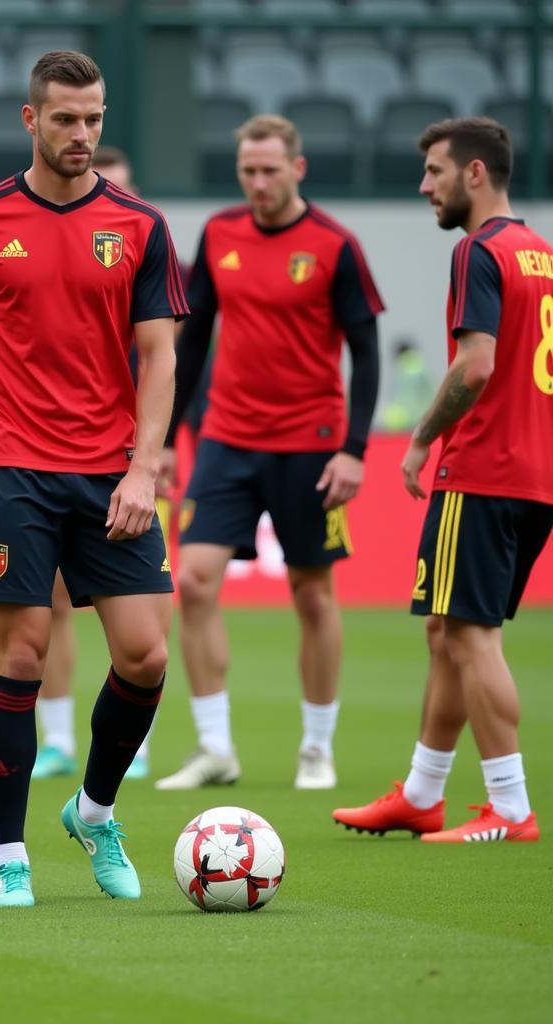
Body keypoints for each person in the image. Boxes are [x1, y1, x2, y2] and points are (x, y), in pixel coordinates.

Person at [0, 51, 187, 908]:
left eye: (96, 119)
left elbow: (159, 355)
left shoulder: (141, 225)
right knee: (23, 654)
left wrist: (144, 466)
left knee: (145, 656)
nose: (83, 135)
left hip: (112, 470)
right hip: (11, 468)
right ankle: (10, 855)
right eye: (67, 119)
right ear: (29, 120)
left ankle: (93, 811)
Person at [333, 117, 551, 843]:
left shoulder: (479, 252)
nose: (425, 186)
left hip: (484, 470)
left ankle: (511, 808)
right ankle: (423, 793)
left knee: (471, 635)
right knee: (446, 630)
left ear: (475, 174)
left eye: (434, 171)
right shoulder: (539, 254)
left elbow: (477, 364)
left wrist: (421, 440)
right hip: (533, 474)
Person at [156, 114, 383, 792]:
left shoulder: (335, 246)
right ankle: (215, 747)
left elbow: (367, 353)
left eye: (270, 171)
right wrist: (167, 441)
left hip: (311, 447)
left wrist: (354, 450)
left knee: (312, 596)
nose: (258, 183)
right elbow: (192, 344)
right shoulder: (220, 234)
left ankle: (316, 747)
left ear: (298, 168)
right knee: (192, 581)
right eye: (248, 172)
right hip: (226, 438)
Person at [33, 144, 154, 783]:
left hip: (132, 454)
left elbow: (170, 362)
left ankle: (138, 740)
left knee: (146, 609)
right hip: (52, 455)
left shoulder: (146, 239)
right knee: (49, 600)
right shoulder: (51, 241)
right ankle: (56, 739)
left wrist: (159, 454)